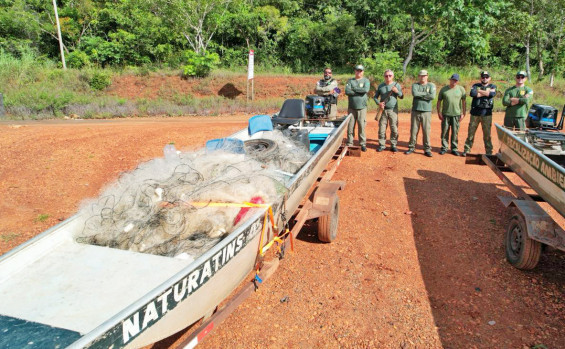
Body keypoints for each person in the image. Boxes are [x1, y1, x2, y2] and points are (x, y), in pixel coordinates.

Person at [462, 71, 496, 157]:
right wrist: (485, 93)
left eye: (486, 77)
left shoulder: (492, 86)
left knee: (487, 134)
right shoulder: (475, 85)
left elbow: (491, 94)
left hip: (487, 114)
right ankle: (467, 150)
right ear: (480, 78)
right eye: (483, 77)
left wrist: (479, 92)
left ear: (489, 78)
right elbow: (473, 93)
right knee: (471, 133)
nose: (484, 78)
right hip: (475, 113)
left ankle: (489, 152)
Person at [406, 70, 436, 157]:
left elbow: (432, 96)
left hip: (426, 111)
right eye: (421, 75)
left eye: (424, 75)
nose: (422, 77)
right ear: (418, 76)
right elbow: (415, 93)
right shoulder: (415, 85)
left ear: (427, 76)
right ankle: (411, 147)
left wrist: (421, 95)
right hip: (416, 110)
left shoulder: (431, 85)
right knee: (414, 131)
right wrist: (426, 94)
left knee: (426, 131)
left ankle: (427, 149)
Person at [373, 69, 403, 152]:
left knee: (394, 128)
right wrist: (379, 103)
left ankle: (393, 145)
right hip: (383, 110)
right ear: (384, 76)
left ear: (392, 76)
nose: (388, 77)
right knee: (382, 129)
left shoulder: (397, 85)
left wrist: (396, 91)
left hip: (393, 110)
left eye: (390, 75)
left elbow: (401, 96)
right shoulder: (381, 86)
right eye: (386, 76)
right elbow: (375, 97)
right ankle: (382, 145)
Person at [437, 73, 466, 156]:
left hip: (456, 114)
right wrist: (439, 112)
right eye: (453, 80)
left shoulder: (461, 89)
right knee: (444, 131)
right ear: (450, 80)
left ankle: (454, 148)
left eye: (456, 80)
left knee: (455, 132)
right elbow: (439, 101)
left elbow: (464, 102)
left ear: (458, 81)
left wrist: (464, 113)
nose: (454, 82)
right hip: (446, 114)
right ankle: (444, 147)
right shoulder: (444, 89)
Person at [345, 65, 371, 151]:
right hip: (351, 108)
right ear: (355, 71)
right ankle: (349, 142)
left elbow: (365, 90)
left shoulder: (366, 81)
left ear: (363, 72)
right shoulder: (350, 80)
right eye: (357, 70)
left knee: (361, 125)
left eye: (360, 71)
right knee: (350, 126)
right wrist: (359, 90)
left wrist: (354, 89)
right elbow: (347, 91)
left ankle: (362, 143)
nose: (359, 72)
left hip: (362, 108)